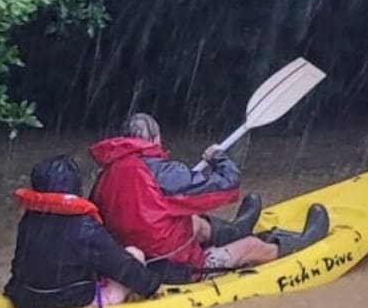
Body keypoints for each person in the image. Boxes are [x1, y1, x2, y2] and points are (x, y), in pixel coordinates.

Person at [89, 112, 329, 272]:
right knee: (251, 246)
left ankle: (236, 230)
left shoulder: (104, 175)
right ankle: (300, 244)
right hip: (172, 265)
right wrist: (218, 157)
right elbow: (227, 184)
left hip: (135, 259)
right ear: (155, 139)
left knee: (194, 221)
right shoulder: (163, 173)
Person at [3, 155, 193, 308]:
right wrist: (152, 286)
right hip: (70, 303)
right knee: (135, 254)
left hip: (26, 301)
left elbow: (18, 265)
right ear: (74, 187)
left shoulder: (30, 220)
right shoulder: (83, 225)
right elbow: (121, 264)